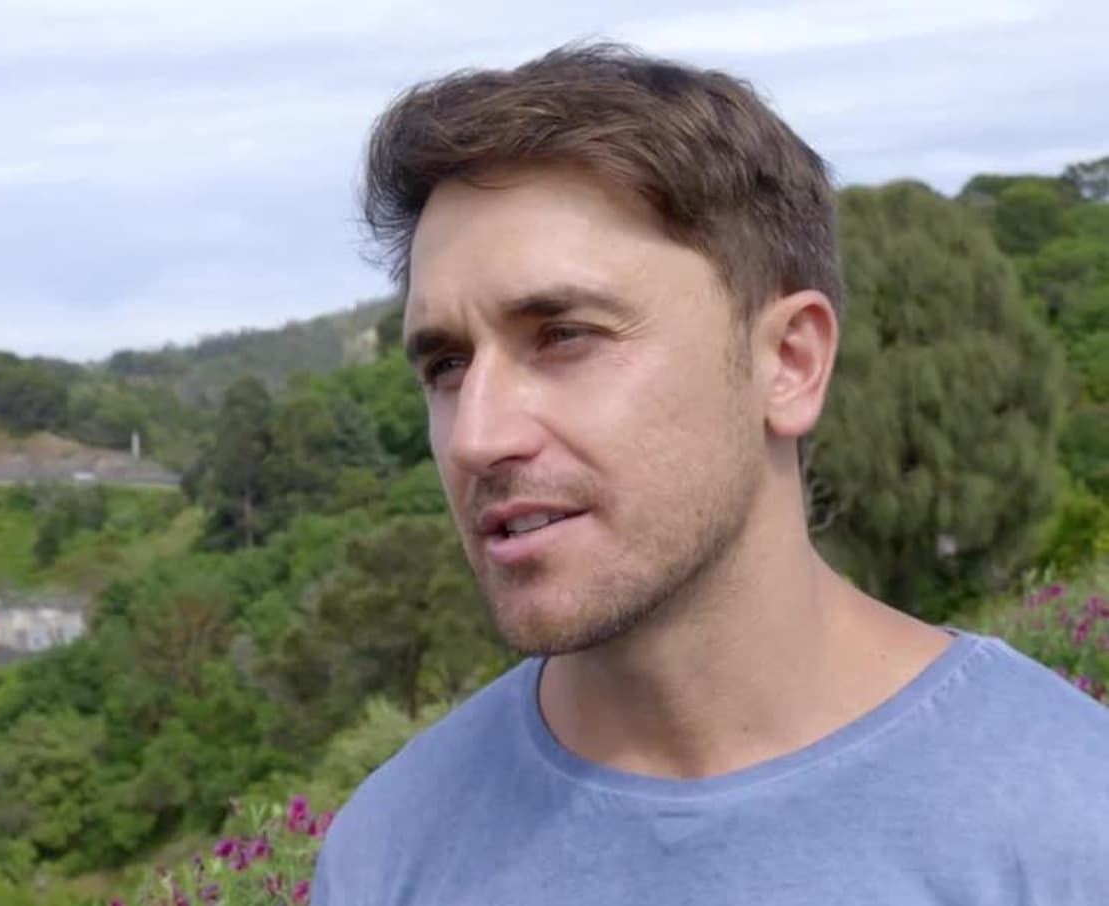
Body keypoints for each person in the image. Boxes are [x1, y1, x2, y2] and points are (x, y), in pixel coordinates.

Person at [310, 42, 1109, 904]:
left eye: (565, 336)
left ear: (789, 363)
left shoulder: (1067, 823)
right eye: (446, 366)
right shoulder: (388, 855)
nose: (476, 437)